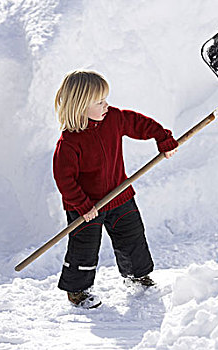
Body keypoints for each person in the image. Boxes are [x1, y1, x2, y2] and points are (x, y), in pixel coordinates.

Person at [52, 70, 178, 309]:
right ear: (79, 106)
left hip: (119, 196)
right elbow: (64, 179)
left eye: (106, 99)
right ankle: (77, 291)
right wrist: (82, 205)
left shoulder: (114, 119)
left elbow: (140, 124)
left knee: (132, 237)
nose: (106, 105)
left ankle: (137, 276)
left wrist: (162, 137)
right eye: (99, 102)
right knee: (84, 248)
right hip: (87, 206)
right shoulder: (69, 142)